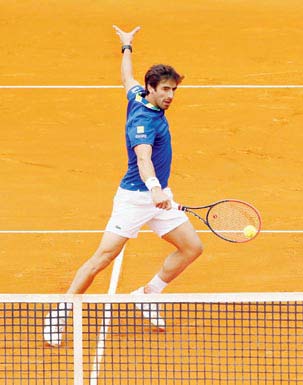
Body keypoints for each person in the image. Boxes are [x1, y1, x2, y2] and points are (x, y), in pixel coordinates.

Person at [43, 25, 204, 346]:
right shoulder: (144, 122)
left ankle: (148, 294)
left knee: (192, 248)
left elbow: (126, 79)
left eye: (174, 90)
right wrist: (155, 189)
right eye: (166, 90)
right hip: (136, 197)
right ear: (152, 88)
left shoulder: (138, 95)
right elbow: (143, 159)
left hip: (159, 197)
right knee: (102, 259)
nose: (171, 96)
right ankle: (59, 313)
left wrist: (126, 47)